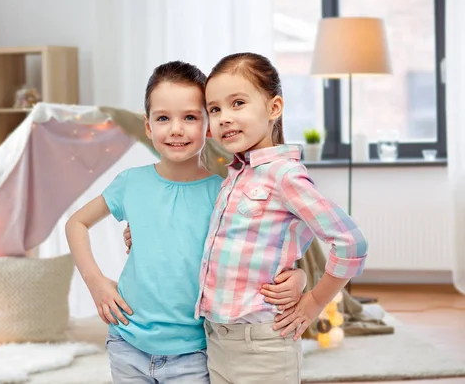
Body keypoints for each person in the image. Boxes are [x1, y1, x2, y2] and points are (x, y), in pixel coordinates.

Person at [65, 60, 306, 384]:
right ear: (148, 126)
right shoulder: (130, 183)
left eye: (190, 117)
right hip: (126, 344)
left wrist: (299, 278)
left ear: (208, 126)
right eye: (163, 118)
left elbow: (266, 251)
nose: (176, 129)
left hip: (195, 352)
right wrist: (95, 282)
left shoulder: (225, 193)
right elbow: (76, 223)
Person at [192, 52, 369, 384]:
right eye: (214, 109)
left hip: (264, 345)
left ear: (274, 108)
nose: (224, 117)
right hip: (217, 340)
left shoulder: (285, 176)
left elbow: (351, 243)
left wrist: (314, 300)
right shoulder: (233, 177)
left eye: (238, 103)